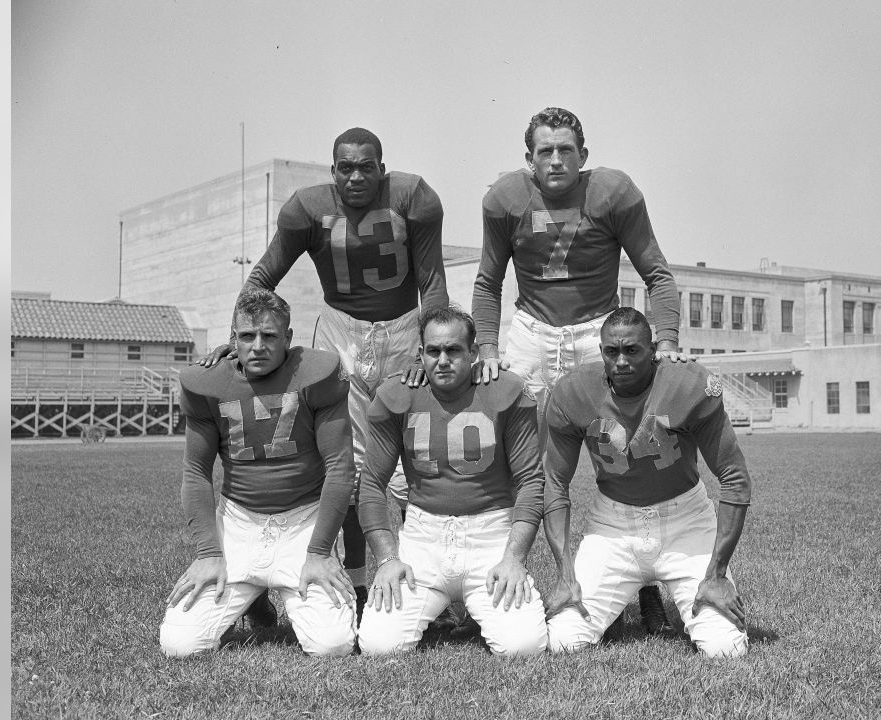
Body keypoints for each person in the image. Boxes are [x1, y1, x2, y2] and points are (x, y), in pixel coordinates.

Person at [201, 127, 447, 621]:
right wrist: (240, 332)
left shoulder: (414, 198)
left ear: (383, 167)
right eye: (345, 167)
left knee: (421, 453)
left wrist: (427, 345)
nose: (356, 175)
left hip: (404, 330)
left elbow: (432, 280)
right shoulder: (306, 208)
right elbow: (263, 275)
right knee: (347, 464)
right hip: (340, 332)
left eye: (366, 166)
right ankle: (354, 582)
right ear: (331, 170)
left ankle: (430, 584)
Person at [471, 106, 682, 633]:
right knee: (509, 457)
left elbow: (657, 273)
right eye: (546, 150)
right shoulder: (504, 198)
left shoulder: (613, 193)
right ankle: (493, 579)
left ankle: (646, 583)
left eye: (567, 149)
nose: (557, 159)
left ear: (584, 156)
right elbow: (486, 281)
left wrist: (670, 339)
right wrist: (490, 346)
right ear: (529, 159)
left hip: (597, 331)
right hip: (529, 330)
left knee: (631, 453)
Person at [541, 308, 751, 658]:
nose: (620, 361)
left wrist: (716, 573)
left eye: (632, 350)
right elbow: (554, 483)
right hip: (613, 524)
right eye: (611, 351)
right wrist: (565, 575)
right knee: (564, 640)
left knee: (725, 648)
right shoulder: (573, 391)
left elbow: (734, 478)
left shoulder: (687, 384)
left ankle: (688, 597)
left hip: (685, 520)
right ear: (601, 350)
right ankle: (612, 608)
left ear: (653, 350)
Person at [159, 287, 357, 658]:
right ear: (232, 339)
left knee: (332, 646)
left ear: (288, 338)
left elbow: (340, 468)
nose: (258, 346)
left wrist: (319, 551)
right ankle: (251, 596)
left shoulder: (316, 374)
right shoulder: (209, 383)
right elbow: (196, 473)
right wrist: (207, 553)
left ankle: (262, 594)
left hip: (304, 522)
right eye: (247, 336)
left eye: (269, 335)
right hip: (239, 524)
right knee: (180, 646)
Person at [354, 306, 548, 657]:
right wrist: (386, 559)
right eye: (433, 351)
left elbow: (531, 481)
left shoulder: (505, 390)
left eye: (454, 350)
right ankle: (441, 609)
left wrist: (513, 558)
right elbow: (370, 483)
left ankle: (478, 608)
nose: (443, 360)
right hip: (423, 540)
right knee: (379, 646)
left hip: (490, 537)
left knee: (525, 646)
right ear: (420, 354)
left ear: (474, 353)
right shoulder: (397, 395)